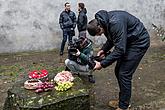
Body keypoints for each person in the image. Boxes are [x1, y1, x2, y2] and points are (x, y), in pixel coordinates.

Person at [87, 10, 150, 110]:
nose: (99, 36)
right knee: (118, 71)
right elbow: (113, 39)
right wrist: (104, 50)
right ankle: (123, 101)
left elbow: (120, 49)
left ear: (99, 27)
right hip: (128, 43)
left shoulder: (115, 23)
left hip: (139, 43)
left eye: (98, 34)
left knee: (124, 74)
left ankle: (124, 106)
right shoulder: (105, 22)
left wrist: (102, 64)